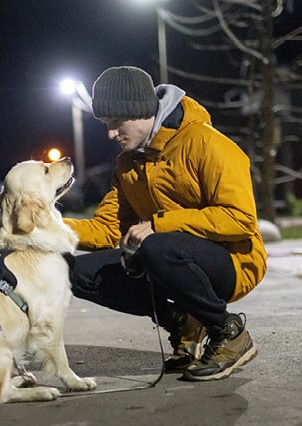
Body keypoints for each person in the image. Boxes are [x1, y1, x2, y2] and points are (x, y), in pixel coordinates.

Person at [63, 66, 267, 381]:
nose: (111, 133)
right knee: (70, 271)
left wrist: (160, 225)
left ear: (141, 112)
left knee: (156, 245)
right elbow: (107, 229)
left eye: (117, 123)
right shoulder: (127, 164)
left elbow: (240, 220)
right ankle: (183, 322)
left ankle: (228, 331)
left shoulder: (207, 144)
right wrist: (44, 229)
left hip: (233, 261)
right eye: (106, 124)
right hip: (166, 255)